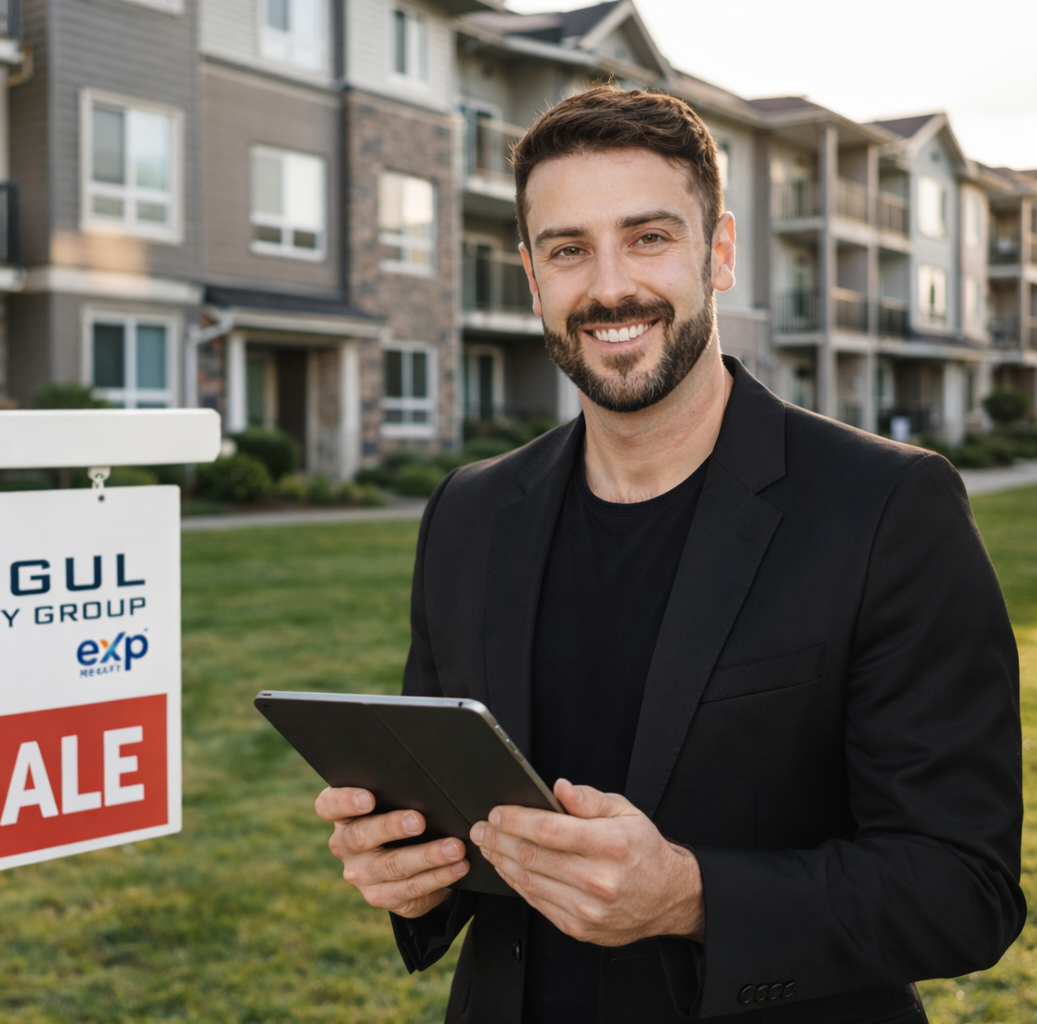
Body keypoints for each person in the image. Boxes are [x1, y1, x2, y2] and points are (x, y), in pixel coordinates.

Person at [314, 86, 1024, 1022]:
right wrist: (409, 865)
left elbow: (961, 888)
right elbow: (453, 809)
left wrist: (689, 896)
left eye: (648, 237)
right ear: (532, 278)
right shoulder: (470, 513)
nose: (610, 287)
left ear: (718, 253)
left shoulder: (888, 508)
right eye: (569, 250)